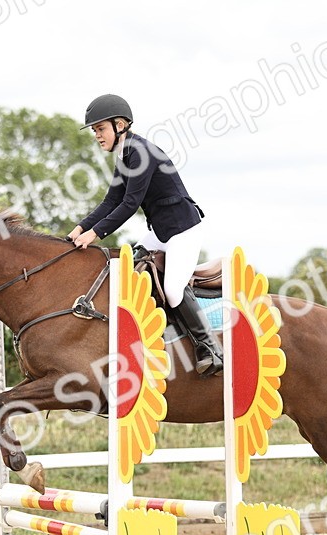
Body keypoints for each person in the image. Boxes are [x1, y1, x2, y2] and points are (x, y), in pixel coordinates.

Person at [67, 94, 223, 376]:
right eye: (95, 131)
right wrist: (79, 229)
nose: (97, 136)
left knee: (174, 290)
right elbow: (109, 201)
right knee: (134, 266)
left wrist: (95, 234)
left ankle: (210, 347)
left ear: (120, 124)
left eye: (100, 129)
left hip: (183, 230)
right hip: (161, 231)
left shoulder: (141, 153)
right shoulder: (125, 154)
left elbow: (129, 204)